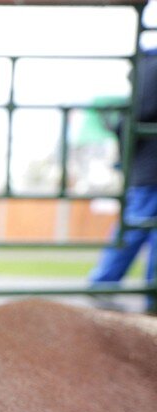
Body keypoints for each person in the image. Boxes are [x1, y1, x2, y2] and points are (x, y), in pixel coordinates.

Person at [88, 49, 157, 290]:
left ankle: (105, 284)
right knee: (134, 228)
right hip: (149, 173)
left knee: (133, 229)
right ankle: (107, 284)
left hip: (147, 171)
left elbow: (134, 118)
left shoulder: (148, 65)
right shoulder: (151, 65)